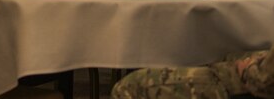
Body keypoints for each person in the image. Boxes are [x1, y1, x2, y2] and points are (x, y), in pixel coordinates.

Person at [112, 46, 274, 99]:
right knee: (228, 51)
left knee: (129, 86)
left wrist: (246, 68)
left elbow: (263, 81)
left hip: (253, 83)